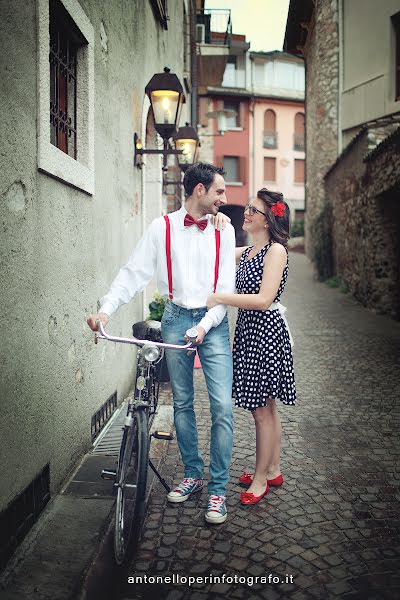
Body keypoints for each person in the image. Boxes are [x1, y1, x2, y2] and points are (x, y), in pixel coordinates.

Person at [87, 162, 236, 524]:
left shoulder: (224, 231)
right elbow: (132, 272)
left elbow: (226, 290)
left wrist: (203, 326)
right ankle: (192, 476)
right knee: (182, 402)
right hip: (174, 318)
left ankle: (218, 492)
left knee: (222, 407)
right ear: (199, 190)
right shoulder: (162, 227)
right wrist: (105, 311)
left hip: (212, 323)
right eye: (219, 191)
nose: (224, 199)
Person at [206, 188, 296, 505]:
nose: (246, 212)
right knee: (267, 408)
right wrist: (214, 220)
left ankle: (261, 479)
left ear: (268, 219)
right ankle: (272, 468)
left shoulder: (276, 252)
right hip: (249, 332)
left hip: (267, 334)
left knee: (262, 412)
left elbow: (263, 300)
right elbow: (214, 250)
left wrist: (219, 298)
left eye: (252, 210)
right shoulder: (247, 252)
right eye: (247, 207)